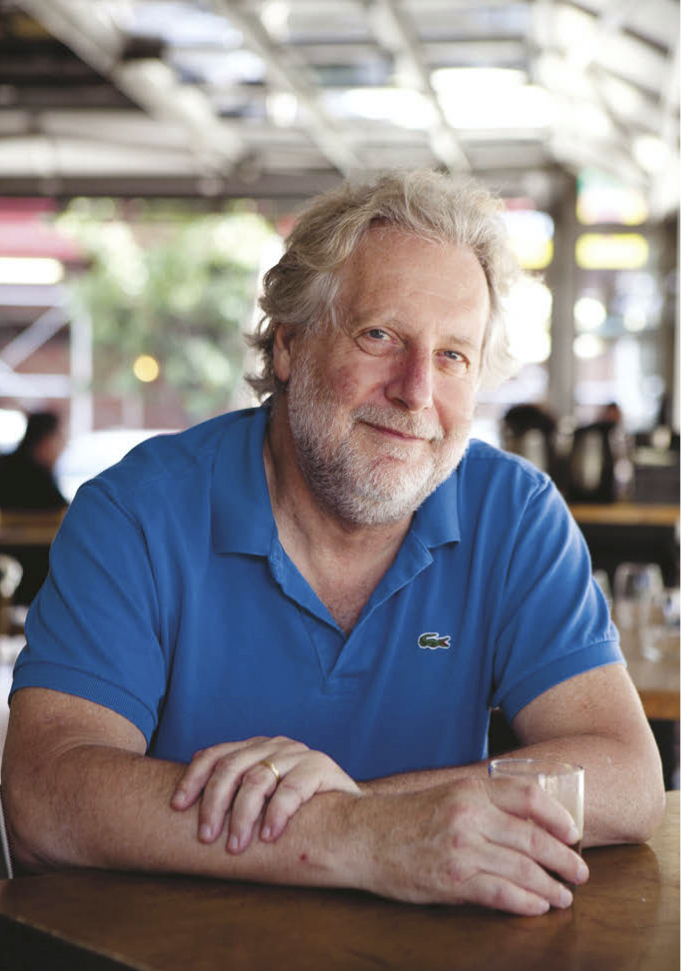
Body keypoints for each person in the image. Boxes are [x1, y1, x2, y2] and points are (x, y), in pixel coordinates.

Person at [2, 171, 664, 918]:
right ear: (288, 345)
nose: (415, 391)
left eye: (453, 356)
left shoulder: (511, 512)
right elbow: (44, 797)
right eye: (379, 335)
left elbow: (627, 782)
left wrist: (368, 811)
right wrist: (356, 836)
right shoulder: (136, 513)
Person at [0, 410, 67, 604]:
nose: (62, 446)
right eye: (60, 438)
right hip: (32, 578)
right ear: (47, 440)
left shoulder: (6, 466)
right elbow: (66, 514)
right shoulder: (40, 479)